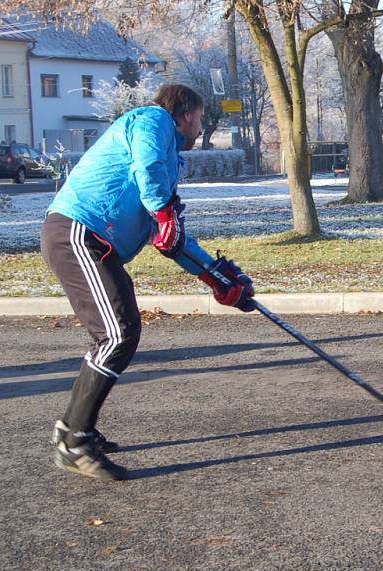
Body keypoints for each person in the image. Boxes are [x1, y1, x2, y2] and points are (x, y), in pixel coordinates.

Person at [40, 84, 256, 481]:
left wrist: (216, 275)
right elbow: (149, 171)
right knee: (117, 334)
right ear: (186, 112)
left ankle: (74, 429)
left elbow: (170, 238)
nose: (201, 126)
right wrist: (163, 210)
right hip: (77, 231)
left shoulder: (169, 159)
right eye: (201, 118)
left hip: (94, 240)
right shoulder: (151, 120)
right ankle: (74, 441)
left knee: (116, 333)